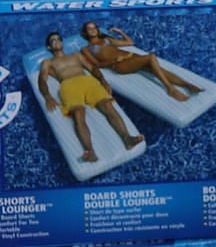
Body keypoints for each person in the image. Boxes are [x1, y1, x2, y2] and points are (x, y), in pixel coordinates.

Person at [36, 32, 145, 162]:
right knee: (78, 113)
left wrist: (103, 80)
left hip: (87, 81)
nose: (57, 41)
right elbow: (42, 80)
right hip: (68, 85)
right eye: (53, 40)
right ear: (49, 47)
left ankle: (127, 139)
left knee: (107, 105)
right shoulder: (47, 62)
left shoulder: (76, 55)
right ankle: (90, 151)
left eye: (59, 39)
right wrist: (47, 96)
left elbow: (91, 68)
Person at [78, 21, 202, 101]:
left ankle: (187, 85)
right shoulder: (86, 49)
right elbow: (97, 65)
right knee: (150, 57)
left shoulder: (107, 39)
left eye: (94, 28)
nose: (93, 30)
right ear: (85, 32)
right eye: (90, 29)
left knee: (157, 69)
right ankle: (170, 88)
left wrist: (120, 32)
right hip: (120, 65)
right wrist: (114, 61)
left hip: (131, 56)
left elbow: (130, 43)